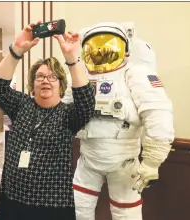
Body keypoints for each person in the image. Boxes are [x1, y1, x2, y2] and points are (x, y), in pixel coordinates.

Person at [0, 20, 95, 220]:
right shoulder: (21, 105)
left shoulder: (68, 115)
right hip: (12, 198)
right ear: (32, 84)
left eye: (52, 77)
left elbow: (87, 102)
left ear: (61, 86)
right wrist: (16, 50)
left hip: (52, 204)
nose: (45, 80)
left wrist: (72, 58)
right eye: (40, 77)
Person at [69, 22, 174, 220]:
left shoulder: (136, 73)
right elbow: (63, 109)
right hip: (88, 158)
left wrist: (152, 162)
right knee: (78, 210)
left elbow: (158, 113)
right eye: (95, 48)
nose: (101, 53)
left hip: (124, 162)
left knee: (126, 214)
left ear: (125, 50)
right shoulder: (79, 75)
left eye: (107, 47)